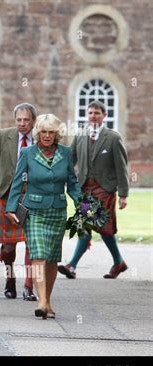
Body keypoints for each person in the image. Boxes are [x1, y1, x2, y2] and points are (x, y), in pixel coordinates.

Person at [6, 114, 81, 319]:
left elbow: (72, 183)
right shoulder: (28, 153)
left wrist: (82, 204)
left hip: (57, 211)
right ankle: (41, 302)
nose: (47, 136)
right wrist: (11, 207)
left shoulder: (66, 153)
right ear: (38, 133)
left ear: (56, 134)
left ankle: (47, 299)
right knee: (38, 255)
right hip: (35, 211)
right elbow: (17, 181)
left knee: (51, 259)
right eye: (44, 132)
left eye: (51, 132)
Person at [58, 101, 129, 279]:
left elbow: (121, 167)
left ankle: (72, 265)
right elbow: (70, 160)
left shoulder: (113, 137)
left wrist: (123, 194)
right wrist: (59, 179)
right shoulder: (81, 135)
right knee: (93, 226)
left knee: (93, 225)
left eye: (97, 113)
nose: (93, 116)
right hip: (85, 189)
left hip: (105, 189)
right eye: (90, 113)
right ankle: (117, 262)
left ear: (104, 115)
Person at [0, 103, 38, 301]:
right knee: (9, 246)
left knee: (32, 244)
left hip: (33, 196)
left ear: (33, 121)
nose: (22, 124)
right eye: (19, 120)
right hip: (9, 195)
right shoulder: (4, 135)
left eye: (26, 120)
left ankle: (29, 286)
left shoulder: (40, 137)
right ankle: (10, 280)